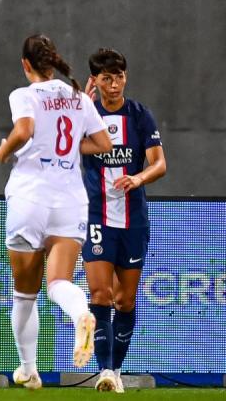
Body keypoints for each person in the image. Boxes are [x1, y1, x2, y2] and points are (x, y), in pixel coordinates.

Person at [0, 34, 113, 390]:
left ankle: (29, 369)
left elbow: (24, 129)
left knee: (24, 293)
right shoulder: (78, 97)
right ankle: (80, 314)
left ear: (25, 64)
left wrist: (4, 150)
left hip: (30, 195)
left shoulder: (24, 94)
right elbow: (104, 143)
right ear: (53, 61)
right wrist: (70, 143)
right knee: (59, 282)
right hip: (71, 196)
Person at [81, 48, 166, 393]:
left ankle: (116, 369)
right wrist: (78, 111)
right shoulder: (86, 115)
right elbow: (64, 149)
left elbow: (159, 163)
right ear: (96, 81)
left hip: (133, 219)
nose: (113, 84)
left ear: (125, 77)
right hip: (96, 215)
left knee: (125, 301)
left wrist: (138, 179)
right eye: (106, 78)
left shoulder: (140, 116)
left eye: (118, 77)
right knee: (100, 294)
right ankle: (103, 370)